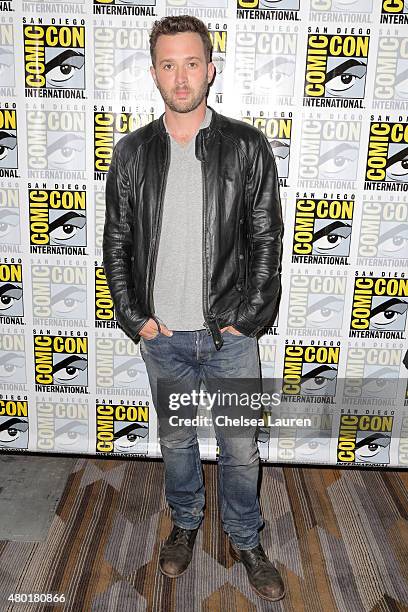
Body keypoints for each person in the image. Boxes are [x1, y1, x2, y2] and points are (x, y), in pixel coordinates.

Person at [103, 15, 284, 603]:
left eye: (191, 63)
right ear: (154, 73)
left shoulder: (246, 145)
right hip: (164, 337)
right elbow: (117, 242)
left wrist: (249, 317)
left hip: (230, 336)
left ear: (210, 68)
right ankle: (184, 525)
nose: (181, 77)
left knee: (239, 446)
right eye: (167, 64)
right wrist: (137, 320)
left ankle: (246, 537)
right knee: (176, 442)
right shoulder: (132, 152)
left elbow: (265, 240)